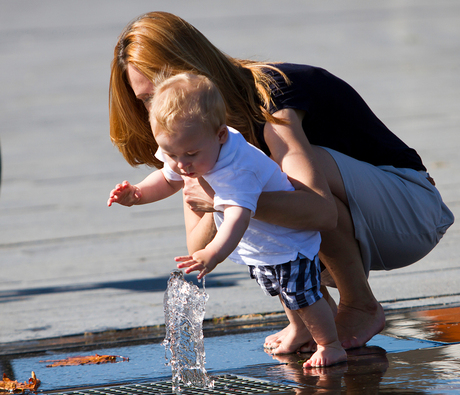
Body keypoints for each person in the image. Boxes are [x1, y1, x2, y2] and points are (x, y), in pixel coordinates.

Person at [108, 11, 454, 352]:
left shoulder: (274, 97)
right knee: (256, 224)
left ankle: (360, 304)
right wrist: (204, 188)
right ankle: (308, 321)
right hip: (359, 230)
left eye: (162, 90)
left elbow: (321, 213)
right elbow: (197, 245)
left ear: (195, 70)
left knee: (299, 175)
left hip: (411, 215)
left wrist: (227, 199)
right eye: (146, 100)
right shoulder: (196, 145)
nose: (159, 107)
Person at [108, 73, 347, 367]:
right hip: (264, 246)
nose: (182, 164)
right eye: (172, 153)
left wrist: (214, 252)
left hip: (288, 241)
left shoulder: (237, 168)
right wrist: (138, 193)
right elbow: (168, 179)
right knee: (283, 293)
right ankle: (299, 330)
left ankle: (330, 344)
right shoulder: (190, 147)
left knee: (304, 299)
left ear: (221, 135)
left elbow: (237, 215)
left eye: (190, 155)